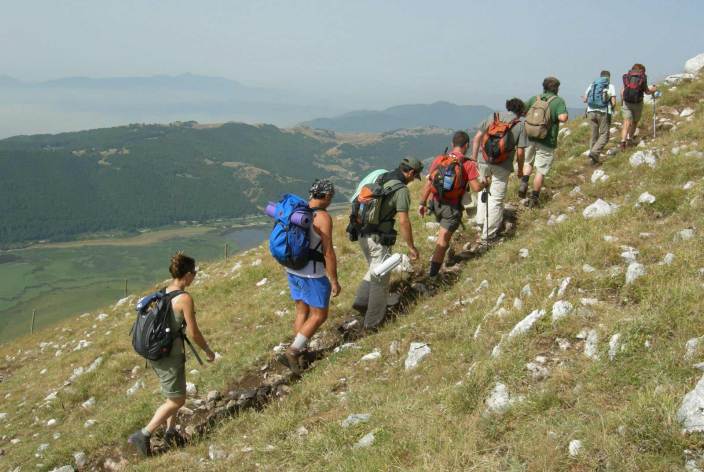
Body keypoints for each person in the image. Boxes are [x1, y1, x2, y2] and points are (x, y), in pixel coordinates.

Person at [128, 253, 216, 457]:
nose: (195, 276)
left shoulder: (164, 292)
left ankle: (170, 433)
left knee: (174, 394)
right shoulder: (184, 298)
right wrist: (208, 351)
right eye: (194, 273)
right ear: (186, 275)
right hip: (169, 356)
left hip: (158, 353)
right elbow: (193, 332)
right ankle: (144, 434)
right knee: (177, 400)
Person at [277, 179, 341, 374]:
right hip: (312, 273)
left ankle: (302, 352)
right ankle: (293, 352)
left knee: (302, 312)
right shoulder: (322, 217)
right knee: (319, 315)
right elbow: (328, 251)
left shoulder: (298, 212)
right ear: (327, 196)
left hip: (293, 268)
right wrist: (334, 280)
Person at [352, 158, 421, 329]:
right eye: (415, 176)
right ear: (411, 173)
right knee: (380, 279)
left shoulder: (381, 175)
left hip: (361, 232)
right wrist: (411, 246)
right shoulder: (401, 190)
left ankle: (361, 302)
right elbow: (404, 221)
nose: (414, 180)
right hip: (377, 238)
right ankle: (373, 323)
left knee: (374, 269)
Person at [419, 131, 484, 275]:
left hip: (436, 203)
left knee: (442, 238)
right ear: (467, 145)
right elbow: (476, 188)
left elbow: (429, 183)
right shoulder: (467, 164)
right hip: (451, 208)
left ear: (452, 144)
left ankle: (439, 259)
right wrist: (486, 183)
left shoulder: (439, 159)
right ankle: (433, 274)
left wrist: (422, 203)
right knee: (442, 241)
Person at [470, 98, 528, 248]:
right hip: (502, 165)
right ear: (521, 112)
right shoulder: (519, 125)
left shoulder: (493, 116)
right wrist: (520, 169)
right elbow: (520, 152)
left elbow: (477, 139)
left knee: (483, 191)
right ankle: (488, 237)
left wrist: (473, 160)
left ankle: (481, 224)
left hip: (483, 161)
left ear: (507, 107)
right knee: (495, 199)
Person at [519, 77, 569, 208]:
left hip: (530, 137)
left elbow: (523, 111)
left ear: (544, 87)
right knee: (540, 170)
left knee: (528, 162)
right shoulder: (558, 101)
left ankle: (524, 182)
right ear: (557, 88)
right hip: (547, 140)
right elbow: (563, 118)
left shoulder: (535, 99)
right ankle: (534, 198)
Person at [620, 63, 657, 150]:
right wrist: (654, 89)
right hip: (637, 103)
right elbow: (647, 91)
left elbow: (622, 91)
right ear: (642, 70)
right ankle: (630, 139)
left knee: (626, 123)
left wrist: (623, 101)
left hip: (627, 102)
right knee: (635, 122)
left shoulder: (627, 77)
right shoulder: (643, 77)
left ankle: (622, 142)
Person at [583, 70, 617, 164]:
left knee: (594, 134)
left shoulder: (592, 85)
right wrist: (613, 108)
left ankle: (593, 159)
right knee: (604, 135)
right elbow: (613, 102)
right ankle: (594, 152)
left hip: (590, 112)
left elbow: (585, 100)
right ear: (609, 77)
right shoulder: (610, 86)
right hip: (602, 112)